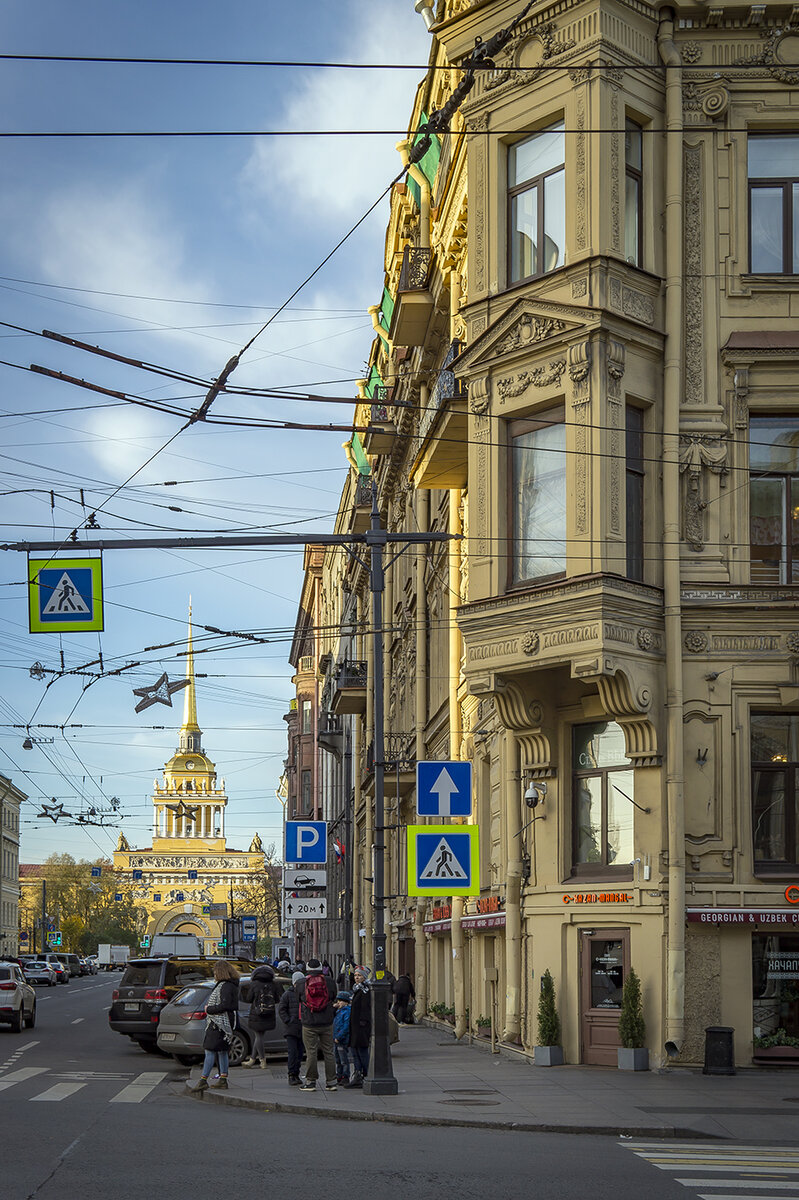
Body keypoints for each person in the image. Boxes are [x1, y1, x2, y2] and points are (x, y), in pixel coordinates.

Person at [191, 960, 239, 1092]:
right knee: (222, 1051)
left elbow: (226, 1005)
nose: (214, 974)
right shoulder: (231, 985)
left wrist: (209, 1009)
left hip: (219, 1023)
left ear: (220, 972)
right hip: (225, 1022)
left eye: (215, 971)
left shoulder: (225, 986)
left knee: (210, 1050)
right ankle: (223, 1079)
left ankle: (203, 1080)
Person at [298, 957, 337, 1091]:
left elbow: (299, 999)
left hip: (309, 1023)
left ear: (307, 969)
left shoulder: (301, 983)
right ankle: (331, 1082)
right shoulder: (330, 982)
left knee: (311, 1052)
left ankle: (310, 1082)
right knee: (329, 1052)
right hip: (327, 1022)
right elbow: (333, 997)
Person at [241, 963, 279, 1069]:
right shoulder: (273, 984)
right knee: (259, 1036)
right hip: (269, 1013)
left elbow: (248, 999)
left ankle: (262, 1060)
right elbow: (277, 999)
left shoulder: (254, 984)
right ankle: (252, 1059)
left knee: (258, 1036)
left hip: (257, 1013)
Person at [277, 969, 304, 1085]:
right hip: (291, 1028)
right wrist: (288, 1020)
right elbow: (281, 1009)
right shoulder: (288, 994)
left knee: (300, 1053)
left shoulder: (304, 994)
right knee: (292, 1052)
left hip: (302, 1027)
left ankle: (296, 1073)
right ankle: (291, 1074)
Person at [347, 968, 371, 1087]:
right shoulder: (357, 990)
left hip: (361, 1026)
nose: (356, 977)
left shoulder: (365, 990)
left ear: (364, 977)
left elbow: (365, 1008)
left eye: (359, 976)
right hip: (355, 1025)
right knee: (355, 1051)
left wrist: (363, 1022)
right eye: (355, 975)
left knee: (362, 1051)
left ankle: (366, 1074)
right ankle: (357, 1074)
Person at [332, 990, 352, 1084]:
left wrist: (339, 1036)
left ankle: (345, 1076)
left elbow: (346, 1026)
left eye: (341, 1001)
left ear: (346, 1002)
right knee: (337, 1059)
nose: (338, 1002)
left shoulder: (347, 1012)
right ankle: (339, 1075)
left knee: (343, 1059)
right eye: (338, 1001)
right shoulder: (339, 1011)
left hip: (341, 1039)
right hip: (336, 1038)